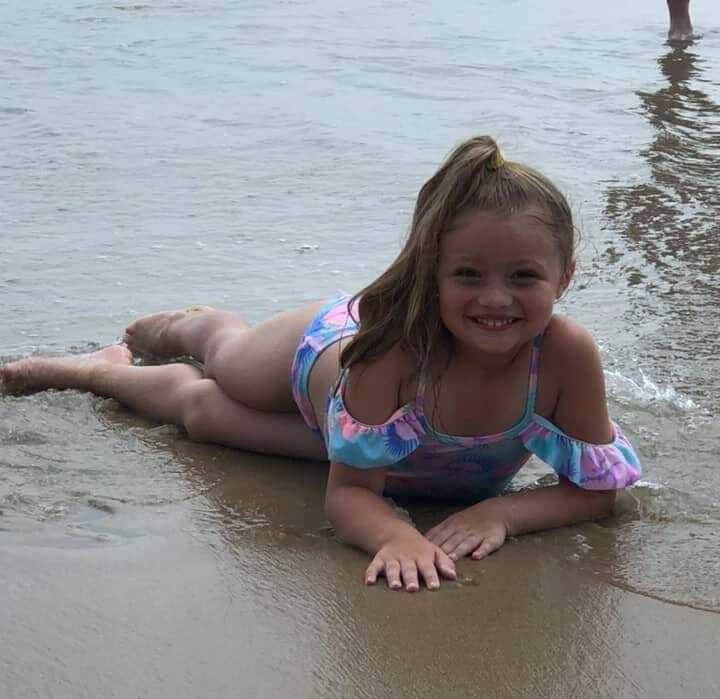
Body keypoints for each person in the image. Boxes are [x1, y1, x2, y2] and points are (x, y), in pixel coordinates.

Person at [0, 135, 642, 591]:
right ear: (431, 274)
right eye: (468, 275)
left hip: (378, 451)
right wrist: (393, 535)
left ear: (564, 277)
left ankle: (129, 359)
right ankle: (144, 347)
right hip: (328, 360)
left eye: (523, 276)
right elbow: (351, 494)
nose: (495, 299)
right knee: (227, 364)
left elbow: (597, 492)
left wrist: (501, 512)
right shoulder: (393, 352)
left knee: (204, 416)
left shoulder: (566, 355)